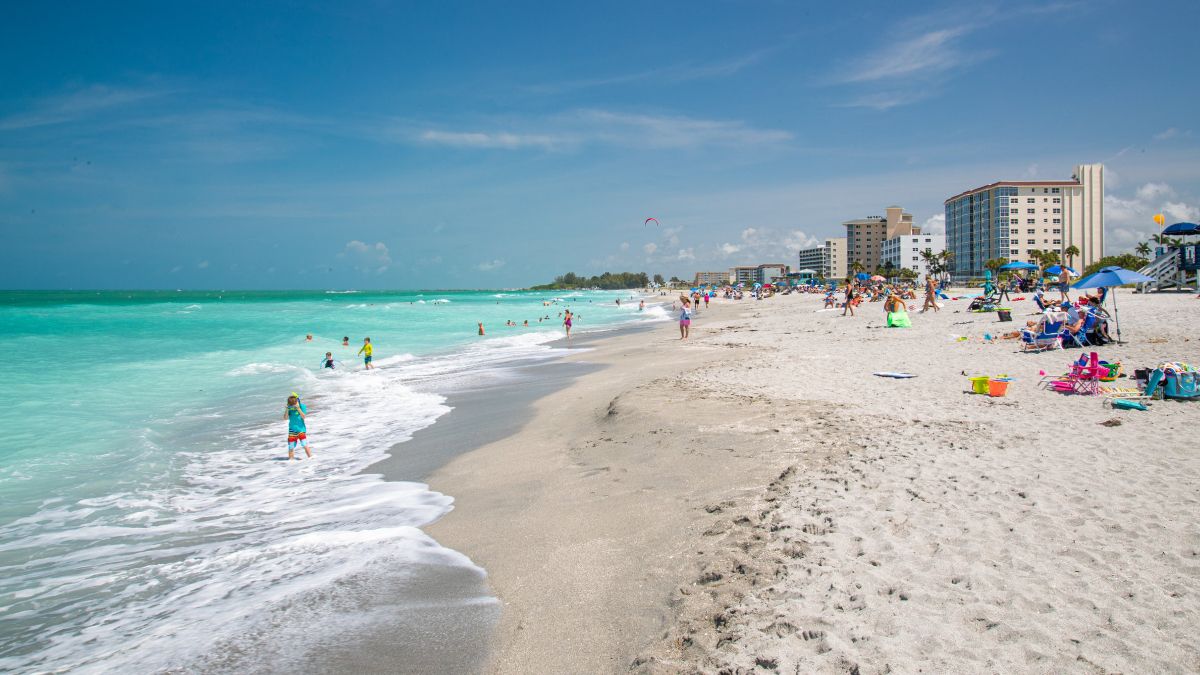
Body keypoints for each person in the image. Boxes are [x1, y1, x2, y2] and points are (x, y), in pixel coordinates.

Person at [284, 394, 313, 460]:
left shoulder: (302, 406)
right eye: (291, 405)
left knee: (304, 444)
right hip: (292, 430)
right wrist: (287, 409)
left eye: (294, 404)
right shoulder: (290, 408)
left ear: (297, 401)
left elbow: (303, 417)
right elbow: (285, 418)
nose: (293, 406)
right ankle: (291, 461)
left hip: (301, 429)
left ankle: (311, 458)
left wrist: (298, 408)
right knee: (291, 446)